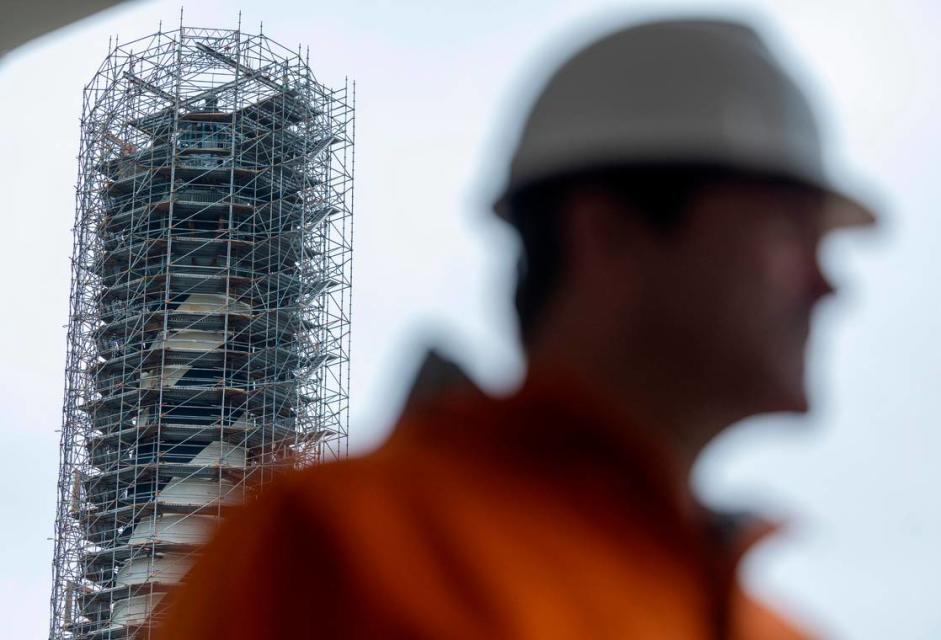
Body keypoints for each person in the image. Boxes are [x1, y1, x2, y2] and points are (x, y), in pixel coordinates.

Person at [157, 18, 875, 639]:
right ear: (610, 232)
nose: (827, 284)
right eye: (787, 233)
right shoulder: (342, 554)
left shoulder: (773, 631)